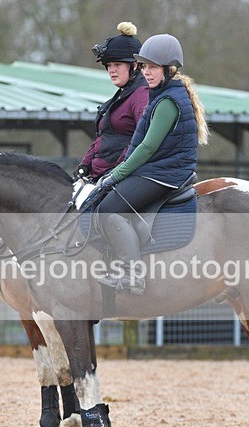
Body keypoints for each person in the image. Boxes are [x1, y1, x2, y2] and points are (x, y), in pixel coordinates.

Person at [95, 33, 210, 295]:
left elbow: (147, 147)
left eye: (153, 67)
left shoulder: (168, 102)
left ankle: (133, 275)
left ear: (169, 69)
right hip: (160, 169)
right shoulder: (164, 93)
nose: (147, 72)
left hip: (164, 174)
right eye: (144, 66)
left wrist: (117, 174)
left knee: (107, 209)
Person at [73, 22, 149, 182]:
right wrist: (84, 165)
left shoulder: (142, 95)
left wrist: (116, 171)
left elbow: (141, 140)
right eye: (109, 65)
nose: (111, 70)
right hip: (101, 175)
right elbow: (103, 137)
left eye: (117, 64)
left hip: (122, 177)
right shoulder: (121, 96)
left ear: (134, 65)